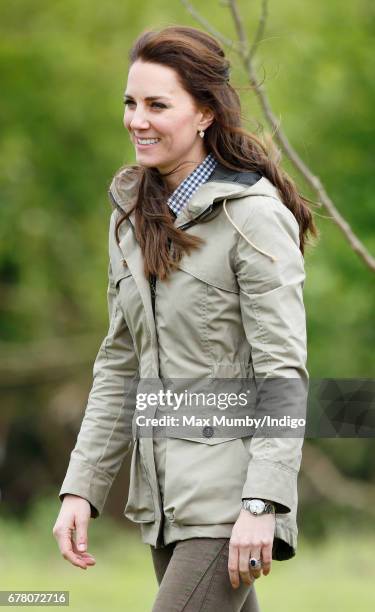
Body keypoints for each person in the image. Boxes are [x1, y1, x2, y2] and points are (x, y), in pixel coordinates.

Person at [53, 25, 316, 611]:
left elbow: (283, 373)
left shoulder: (251, 217)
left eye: (156, 105)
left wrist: (262, 505)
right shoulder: (131, 216)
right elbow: (120, 364)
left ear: (203, 114)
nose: (136, 120)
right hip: (164, 501)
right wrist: (82, 489)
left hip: (228, 502)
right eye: (130, 102)